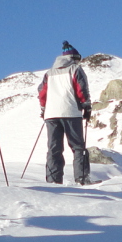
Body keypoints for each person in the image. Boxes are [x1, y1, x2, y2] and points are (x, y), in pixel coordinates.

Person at [38, 41, 92, 185]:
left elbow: (42, 93)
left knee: (54, 148)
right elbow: (81, 90)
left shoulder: (49, 73)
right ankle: (81, 178)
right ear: (74, 57)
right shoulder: (75, 69)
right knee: (78, 146)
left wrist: (43, 109)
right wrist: (86, 107)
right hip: (71, 112)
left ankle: (53, 179)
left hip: (51, 114)